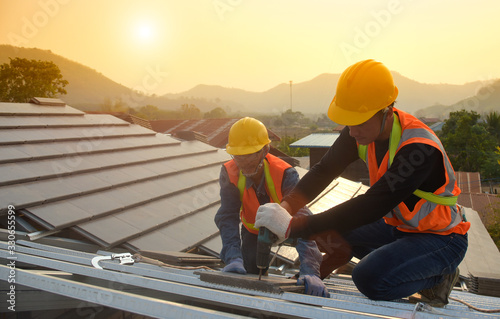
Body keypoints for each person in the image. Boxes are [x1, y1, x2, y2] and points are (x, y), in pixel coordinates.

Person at [255, 59, 470, 307]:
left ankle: (439, 276)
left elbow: (373, 205)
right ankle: (339, 257)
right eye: (349, 122)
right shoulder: (358, 131)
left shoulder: (419, 148)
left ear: (386, 112)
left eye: (360, 122)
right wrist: (285, 207)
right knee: (329, 231)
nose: (352, 131)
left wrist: (294, 227)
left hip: (441, 238)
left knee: (369, 279)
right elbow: (325, 170)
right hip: (399, 229)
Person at [214, 117, 329, 297]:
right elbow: (227, 216)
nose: (242, 162)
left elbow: (302, 220)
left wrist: (310, 270)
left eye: (249, 155)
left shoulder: (285, 173)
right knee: (249, 271)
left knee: (312, 264)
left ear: (265, 150)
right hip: (252, 230)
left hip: (288, 226)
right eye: (237, 155)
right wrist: (233, 257)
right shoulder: (229, 172)